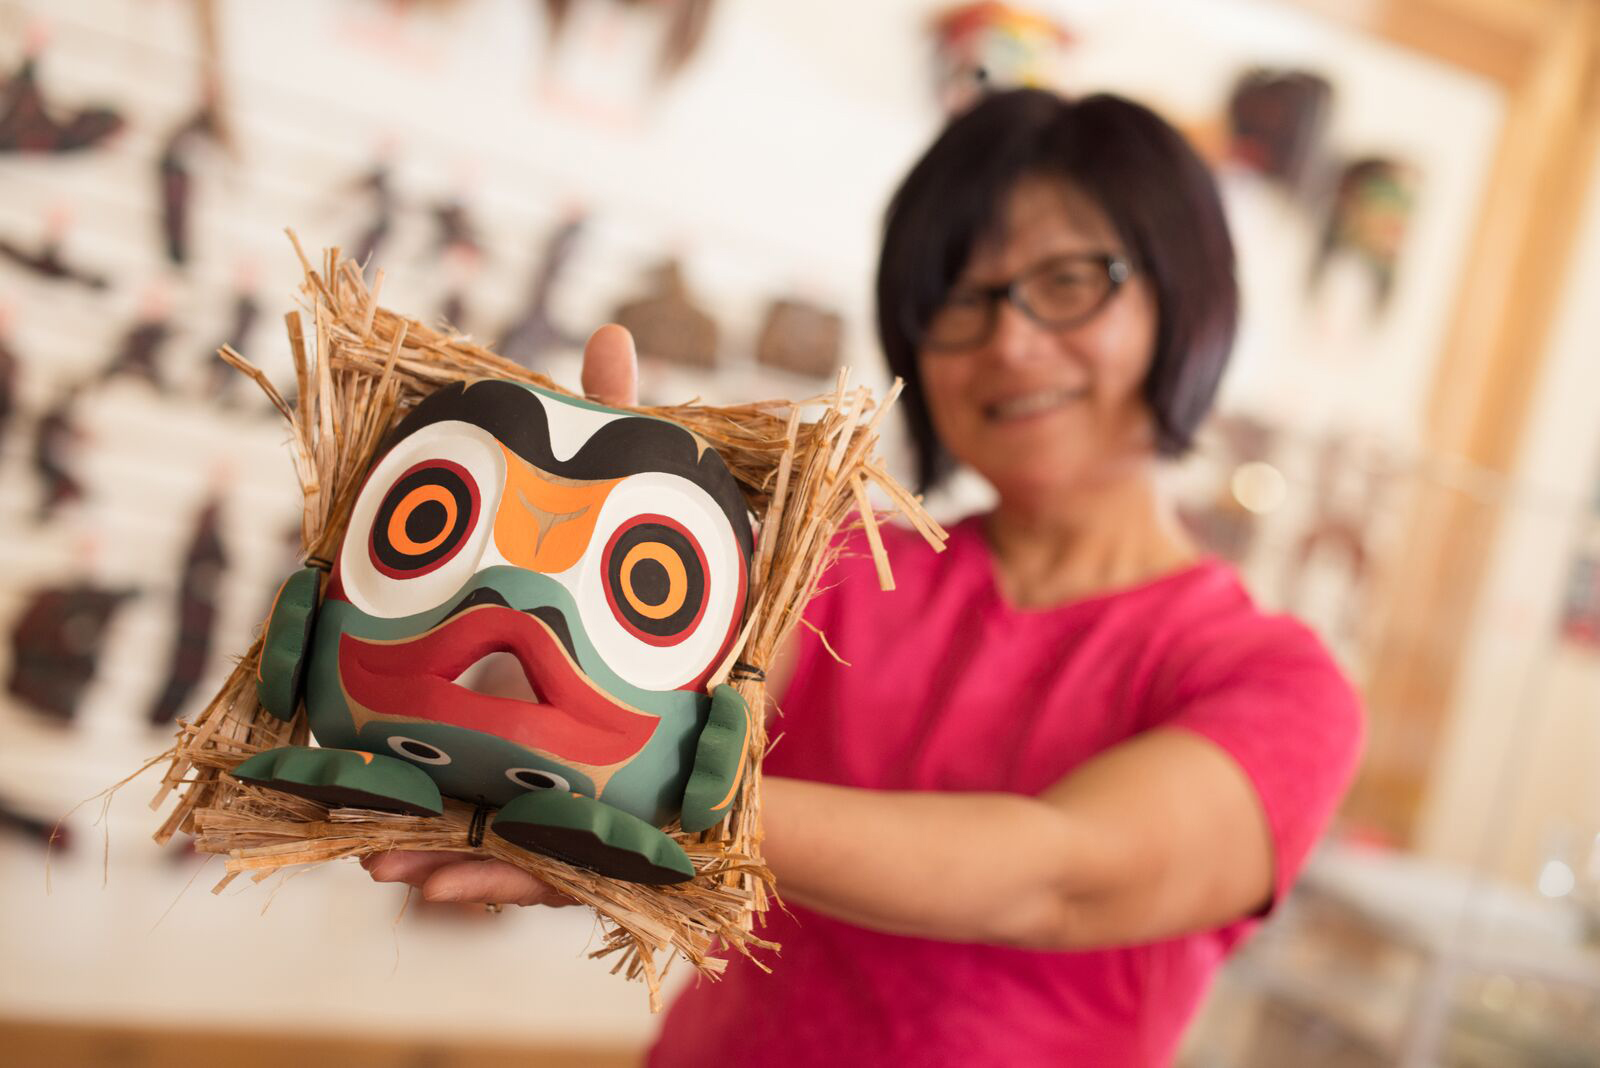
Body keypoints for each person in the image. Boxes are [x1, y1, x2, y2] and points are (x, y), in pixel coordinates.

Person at [364, 89, 1364, 1066]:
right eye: (960, 301)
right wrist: (558, 564)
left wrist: (653, 798)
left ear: (1184, 301)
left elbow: (1059, 877)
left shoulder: (1278, 688)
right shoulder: (836, 560)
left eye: (1069, 281)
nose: (1010, 342)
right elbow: (608, 704)